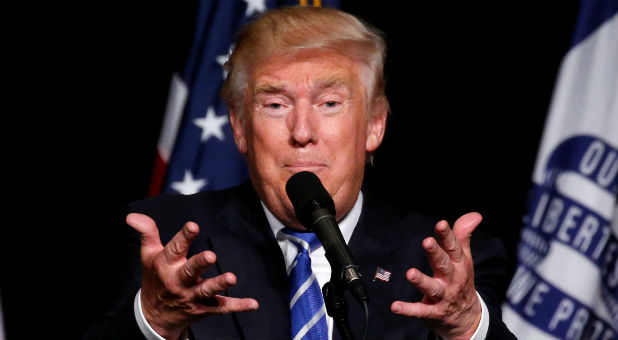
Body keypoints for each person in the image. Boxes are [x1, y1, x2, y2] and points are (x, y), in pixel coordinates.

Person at [82, 5, 516, 340]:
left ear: (374, 125)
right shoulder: (163, 241)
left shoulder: (438, 261)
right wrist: (153, 319)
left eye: (329, 103)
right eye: (275, 105)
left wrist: (466, 327)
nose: (302, 132)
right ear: (239, 128)